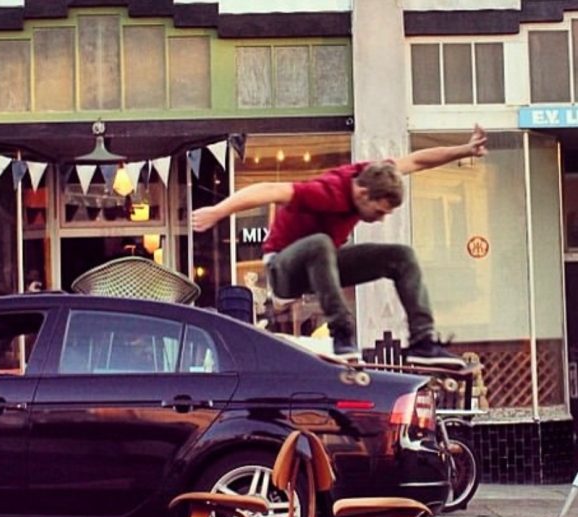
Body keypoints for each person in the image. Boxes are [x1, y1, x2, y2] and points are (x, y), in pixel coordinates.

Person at [192, 124, 488, 366]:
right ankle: (342, 334)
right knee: (320, 243)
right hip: (283, 269)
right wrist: (218, 212)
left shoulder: (377, 174)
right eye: (379, 212)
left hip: (323, 264)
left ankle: (423, 342)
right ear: (361, 193)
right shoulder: (325, 191)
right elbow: (268, 190)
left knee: (402, 256)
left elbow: (418, 161)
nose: (382, 219)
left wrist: (465, 149)